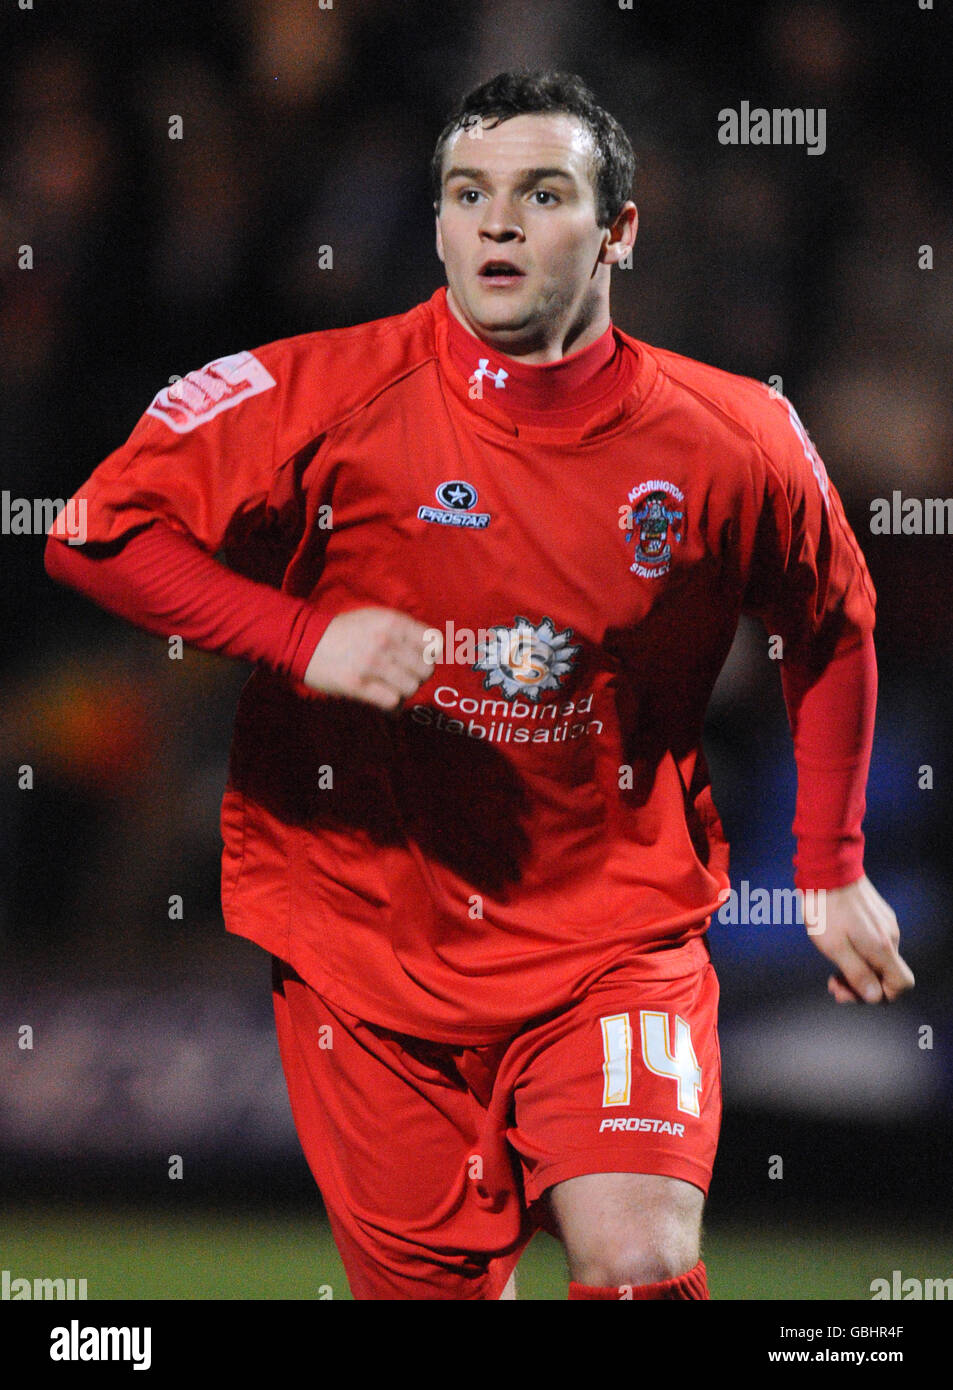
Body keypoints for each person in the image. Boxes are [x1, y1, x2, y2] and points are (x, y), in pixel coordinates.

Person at [45, 69, 914, 1301]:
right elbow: (90, 531)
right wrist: (299, 635)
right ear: (440, 223)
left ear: (618, 230)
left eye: (540, 193)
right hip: (365, 939)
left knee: (642, 1263)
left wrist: (828, 866)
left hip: (611, 928)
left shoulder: (735, 439)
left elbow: (829, 627)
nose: (495, 223)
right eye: (467, 194)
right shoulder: (318, 391)